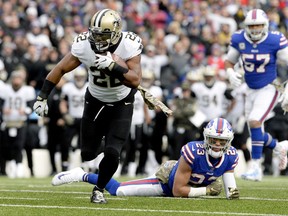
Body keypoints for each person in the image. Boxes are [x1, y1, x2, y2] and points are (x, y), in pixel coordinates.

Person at [33, 9, 143, 204]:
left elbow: (135, 80)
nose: (97, 38)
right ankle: (93, 160)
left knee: (112, 152)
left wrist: (114, 66)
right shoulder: (84, 45)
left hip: (122, 102)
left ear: (116, 33)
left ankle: (99, 189)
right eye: (95, 33)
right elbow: (60, 68)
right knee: (88, 153)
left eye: (103, 34)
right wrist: (42, 97)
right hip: (95, 100)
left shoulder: (129, 44)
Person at [51, 118, 240, 200]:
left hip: (189, 184)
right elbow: (176, 191)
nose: (216, 144)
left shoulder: (231, 156)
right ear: (206, 138)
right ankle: (82, 175)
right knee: (118, 191)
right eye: (213, 140)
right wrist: (206, 191)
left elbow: (231, 193)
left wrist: (231, 192)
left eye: (221, 141)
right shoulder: (193, 151)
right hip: (167, 183)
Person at [225, 9, 288, 181]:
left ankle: (256, 167)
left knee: (254, 121)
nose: (255, 29)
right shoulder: (239, 39)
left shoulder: (275, 39)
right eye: (252, 25)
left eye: (259, 25)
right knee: (255, 130)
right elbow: (229, 61)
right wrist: (230, 73)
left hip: (269, 87)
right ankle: (278, 147)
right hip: (249, 89)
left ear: (266, 25)